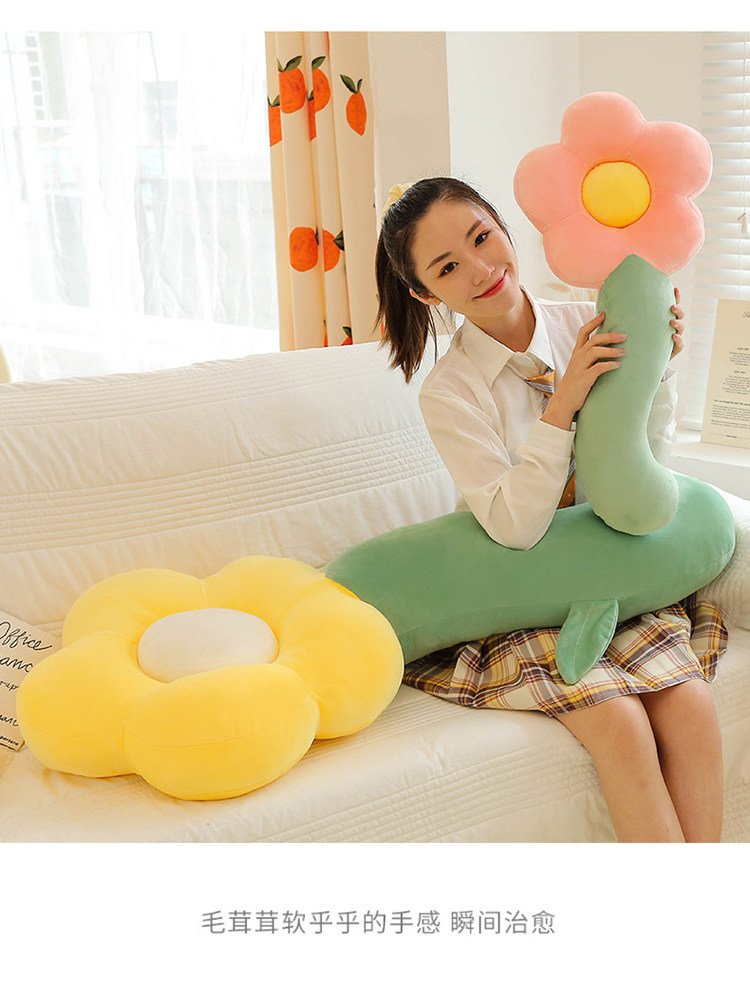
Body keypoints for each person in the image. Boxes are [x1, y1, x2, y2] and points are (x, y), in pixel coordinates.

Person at [375, 176, 726, 843]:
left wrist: (658, 372)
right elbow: (515, 527)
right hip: (521, 597)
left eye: (482, 238)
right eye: (447, 267)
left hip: (610, 573)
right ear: (424, 293)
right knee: (619, 725)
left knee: (690, 708)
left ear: (504, 227)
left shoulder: (589, 320)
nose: (480, 269)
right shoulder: (450, 393)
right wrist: (561, 407)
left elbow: (645, 470)